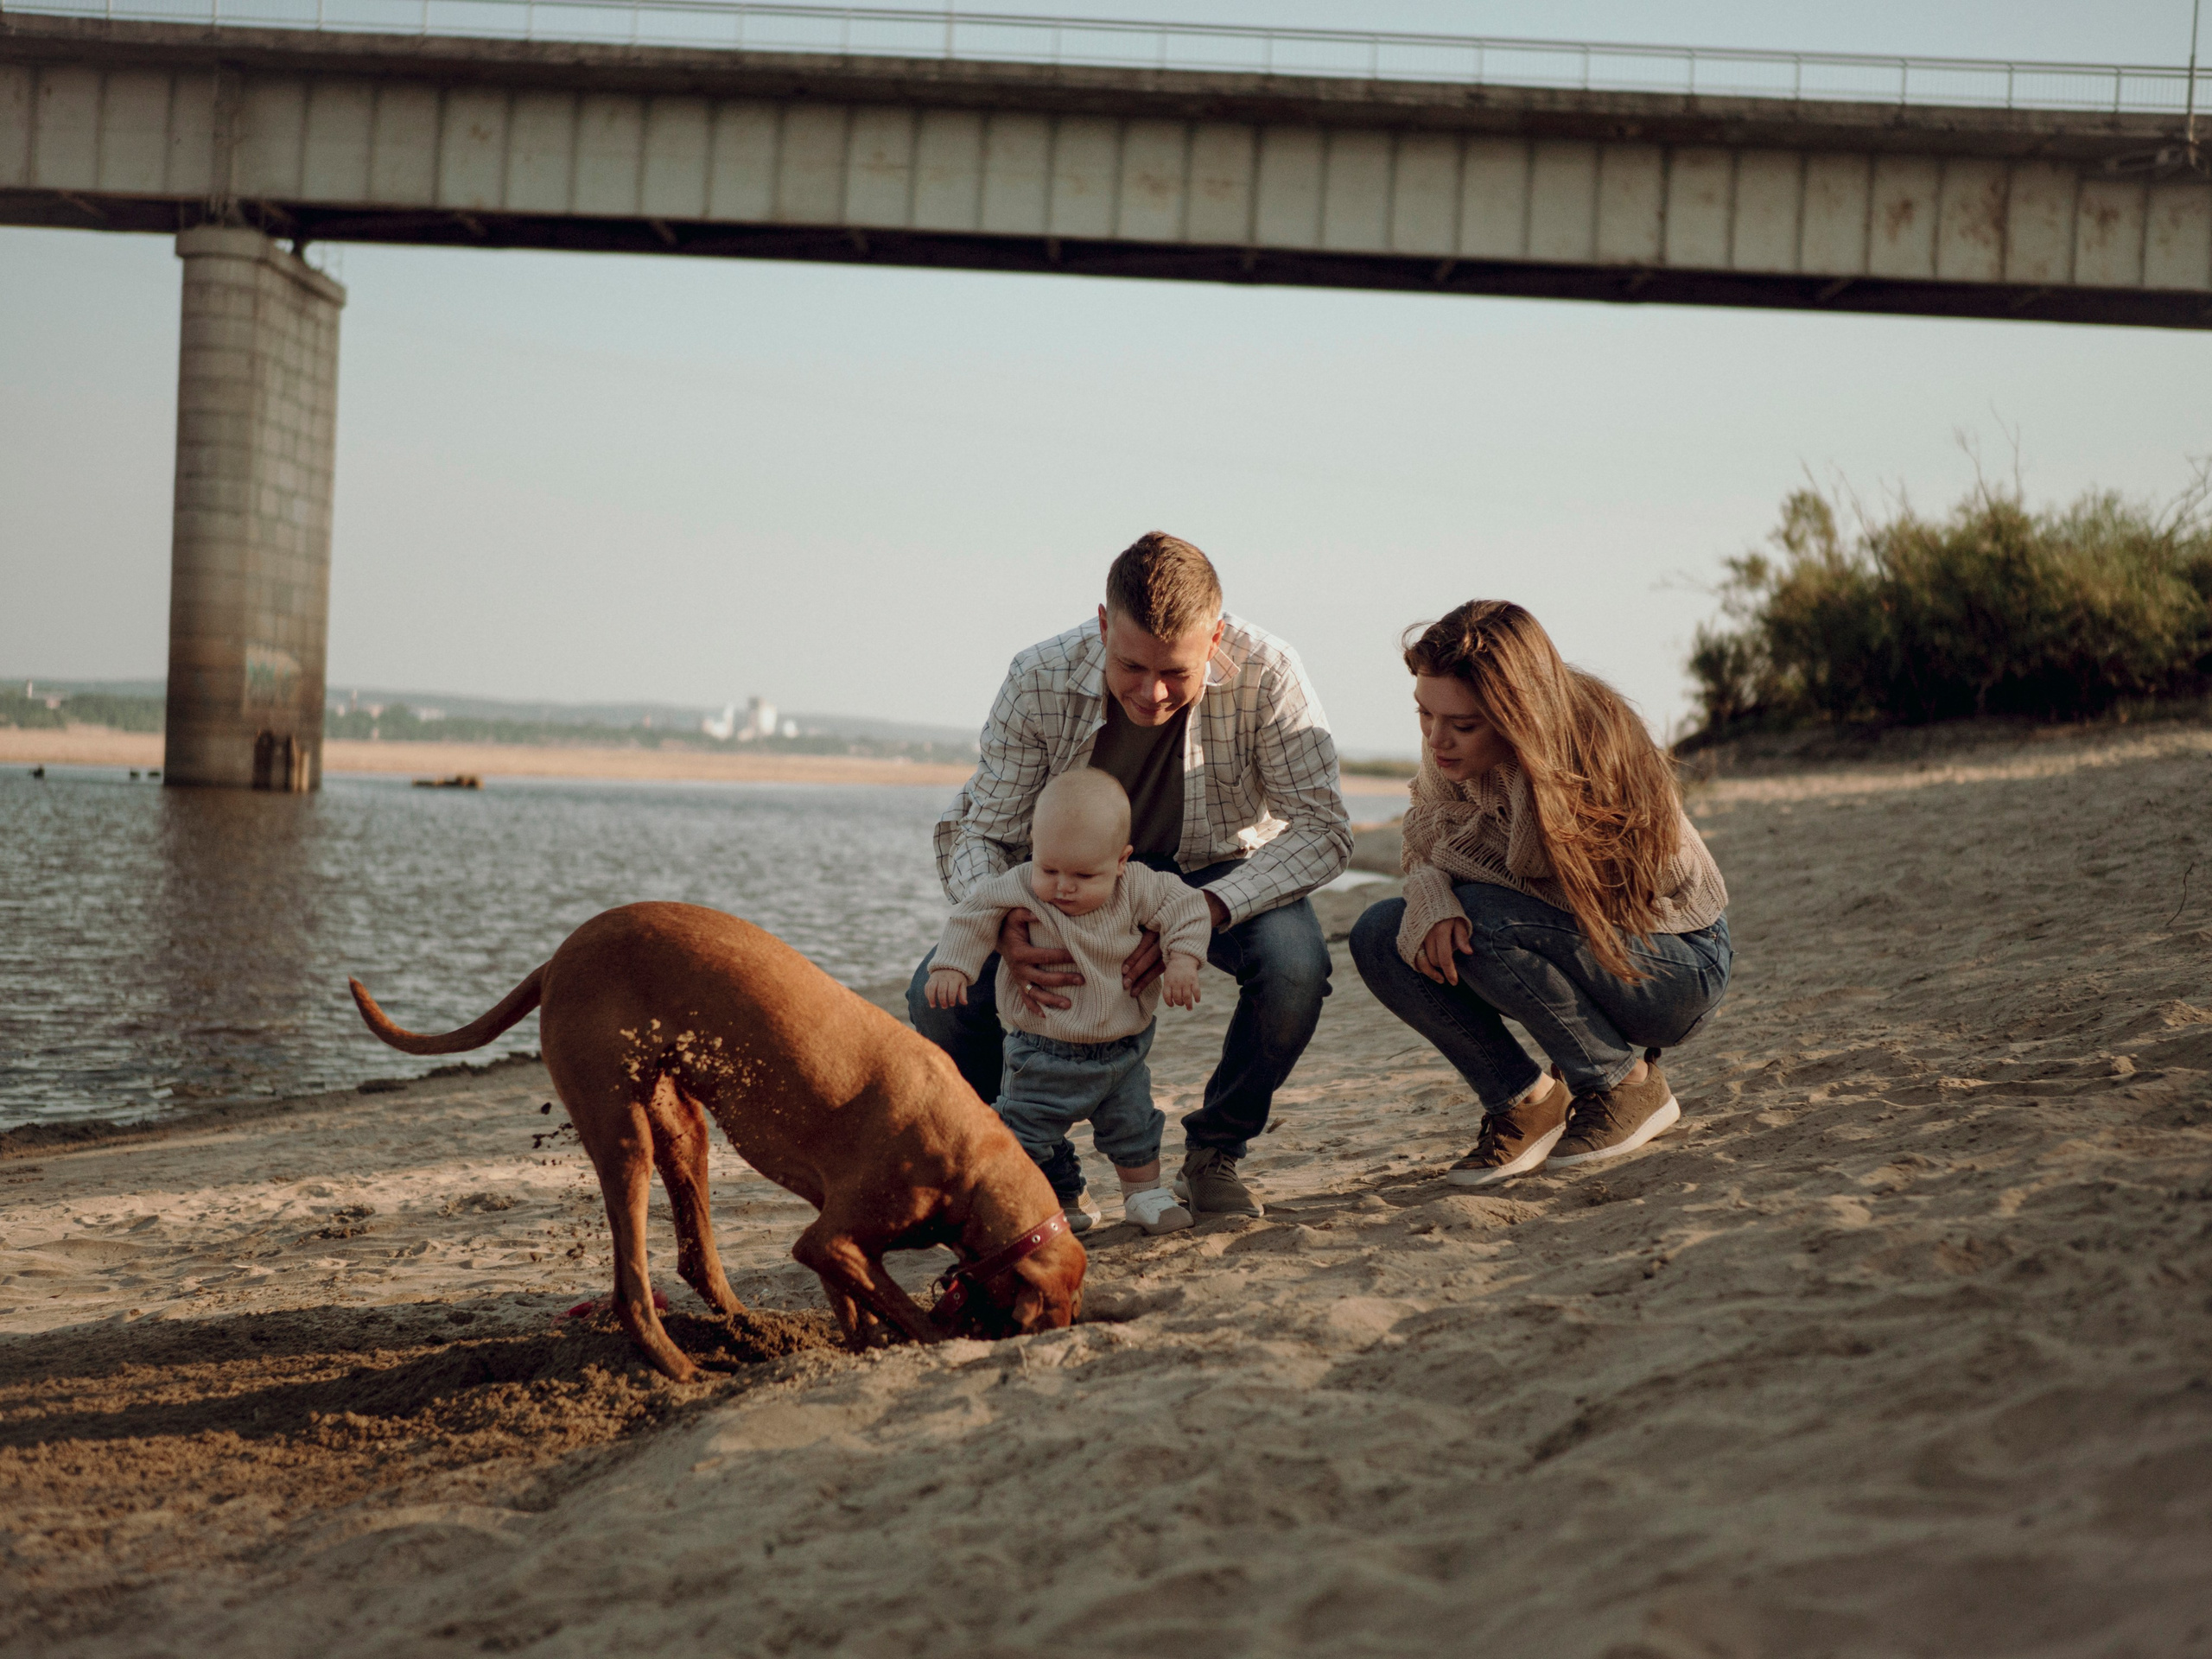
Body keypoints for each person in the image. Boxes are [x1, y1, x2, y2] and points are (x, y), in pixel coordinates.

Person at [909, 531, 1352, 1219]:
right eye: (1131, 666)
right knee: (936, 998)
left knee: (1295, 967)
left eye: (1176, 671)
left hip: (1218, 868)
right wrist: (1004, 928)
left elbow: (1323, 828)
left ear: (1215, 637)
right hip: (1071, 876)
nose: (1152, 693)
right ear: (1102, 624)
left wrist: (1205, 910)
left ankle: (1215, 1154)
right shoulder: (1038, 676)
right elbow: (982, 830)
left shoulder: (1272, 672)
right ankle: (1044, 1172)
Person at [1350, 600, 1731, 1186]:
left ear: (1517, 713)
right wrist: (1434, 891)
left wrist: (1451, 881)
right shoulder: (1446, 754)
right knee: (1381, 932)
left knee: (1480, 916)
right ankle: (1527, 1103)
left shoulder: (1597, 751)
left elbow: (1556, 888)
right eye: (1425, 714)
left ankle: (1625, 1086)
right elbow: (1426, 837)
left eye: (1464, 724)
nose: (1437, 739)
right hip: (1564, 938)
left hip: (1673, 963)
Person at [926, 770, 1211, 1236]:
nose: (1063, 886)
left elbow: (1186, 907)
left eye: (1083, 875)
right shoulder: (1018, 884)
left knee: (1135, 1127)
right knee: (1024, 1133)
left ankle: (1143, 1195)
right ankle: (1043, 1200)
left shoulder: (1137, 886)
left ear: (1121, 861)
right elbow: (972, 914)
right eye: (1050, 868)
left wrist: (1182, 960)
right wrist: (952, 966)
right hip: (1041, 1051)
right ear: (1034, 850)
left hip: (1122, 1051)